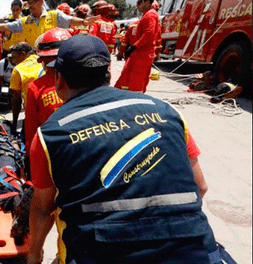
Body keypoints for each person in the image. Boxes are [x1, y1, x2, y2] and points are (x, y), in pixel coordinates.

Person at [27, 34, 220, 264]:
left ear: (59, 80)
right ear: (109, 74)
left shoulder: (51, 135)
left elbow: (42, 209)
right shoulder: (167, 112)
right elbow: (200, 186)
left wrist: (34, 254)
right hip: (195, 251)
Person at [24, 28, 70, 155]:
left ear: (43, 60)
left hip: (50, 149)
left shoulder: (36, 87)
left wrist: (30, 154)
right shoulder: (84, 81)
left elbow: (31, 129)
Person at [0, 0, 99, 48]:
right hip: (34, 59)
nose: (30, 5)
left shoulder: (55, 15)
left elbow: (70, 20)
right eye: (28, 3)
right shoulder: (24, 22)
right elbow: (4, 27)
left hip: (53, 56)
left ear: (41, 2)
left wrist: (83, 22)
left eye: (33, 2)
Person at [114, 0, 161, 93]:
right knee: (130, 77)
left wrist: (133, 47)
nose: (137, 5)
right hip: (140, 53)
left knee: (136, 80)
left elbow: (149, 34)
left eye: (139, 2)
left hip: (142, 54)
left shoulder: (150, 15)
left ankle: (133, 99)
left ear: (147, 2)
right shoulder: (148, 15)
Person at [8, 42, 43, 135]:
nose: (12, 59)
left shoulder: (18, 70)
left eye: (14, 56)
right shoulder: (42, 60)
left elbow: (16, 100)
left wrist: (14, 123)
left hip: (33, 114)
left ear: (23, 53)